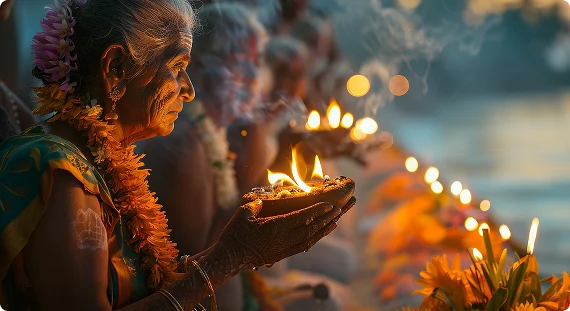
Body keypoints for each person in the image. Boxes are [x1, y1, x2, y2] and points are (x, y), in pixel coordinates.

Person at [0, 1, 355, 310]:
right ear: (115, 70)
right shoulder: (65, 178)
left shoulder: (102, 161)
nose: (188, 89)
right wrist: (229, 257)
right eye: (177, 66)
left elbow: (154, 284)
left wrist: (244, 251)